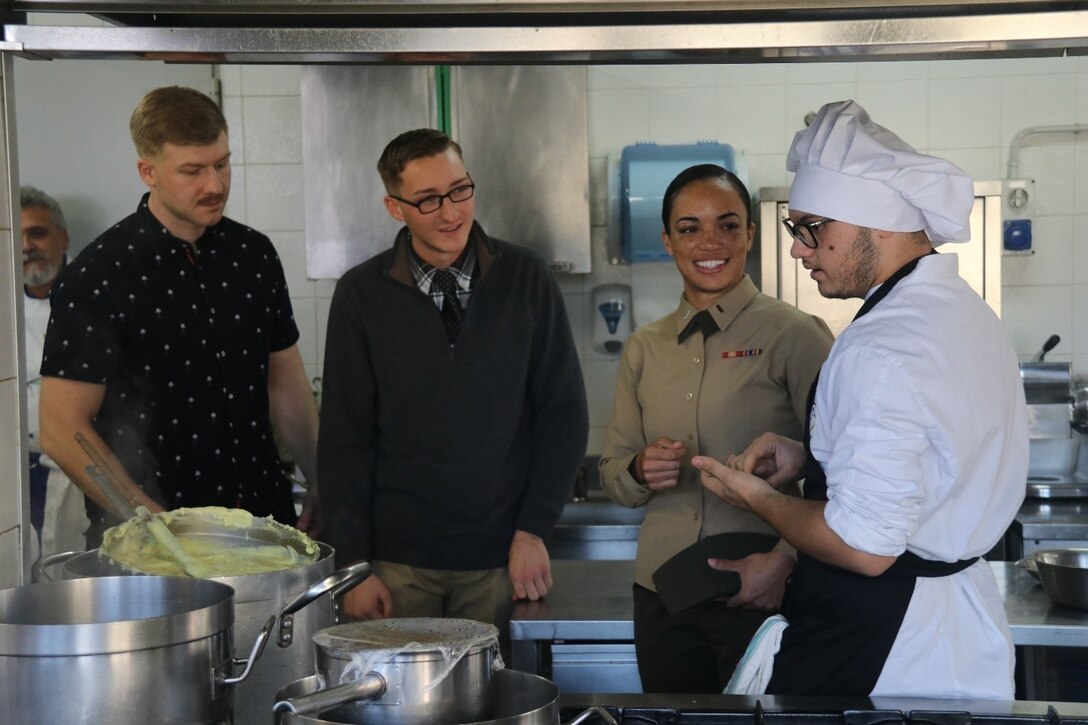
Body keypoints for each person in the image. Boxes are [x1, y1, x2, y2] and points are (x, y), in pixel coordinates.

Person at [694, 100, 1028, 698]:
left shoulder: (879, 345)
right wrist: (810, 458)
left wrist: (762, 500)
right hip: (962, 629)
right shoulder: (965, 313)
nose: (799, 248)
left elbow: (864, 546)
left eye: (812, 228)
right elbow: (931, 458)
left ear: (874, 223)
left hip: (883, 643)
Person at [318, 128, 588, 634]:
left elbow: (564, 414)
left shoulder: (526, 278)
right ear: (394, 207)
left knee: (495, 706)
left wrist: (533, 530)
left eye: (460, 190)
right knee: (401, 709)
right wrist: (352, 568)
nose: (451, 212)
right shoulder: (360, 295)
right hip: (396, 566)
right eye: (428, 200)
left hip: (502, 560)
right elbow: (343, 439)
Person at [38, 86, 320, 546]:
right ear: (147, 171)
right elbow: (60, 429)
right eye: (192, 170)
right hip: (150, 543)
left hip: (262, 524)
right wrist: (155, 523)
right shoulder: (100, 273)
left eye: (222, 164)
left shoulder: (253, 255)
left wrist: (320, 479)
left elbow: (284, 382)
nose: (215, 185)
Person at [598, 165, 833, 693]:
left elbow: (844, 472)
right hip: (661, 595)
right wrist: (638, 469)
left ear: (750, 234)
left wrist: (786, 563)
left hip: (764, 585)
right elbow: (613, 476)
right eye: (689, 228)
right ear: (668, 241)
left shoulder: (795, 335)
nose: (710, 242)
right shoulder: (644, 347)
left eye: (727, 225)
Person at [21, 186, 90, 557]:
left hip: (77, 472)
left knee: (67, 573)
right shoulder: (5, 304)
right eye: (16, 236)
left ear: (63, 237)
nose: (26, 245)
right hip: (16, 470)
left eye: (37, 232)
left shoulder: (93, 294)